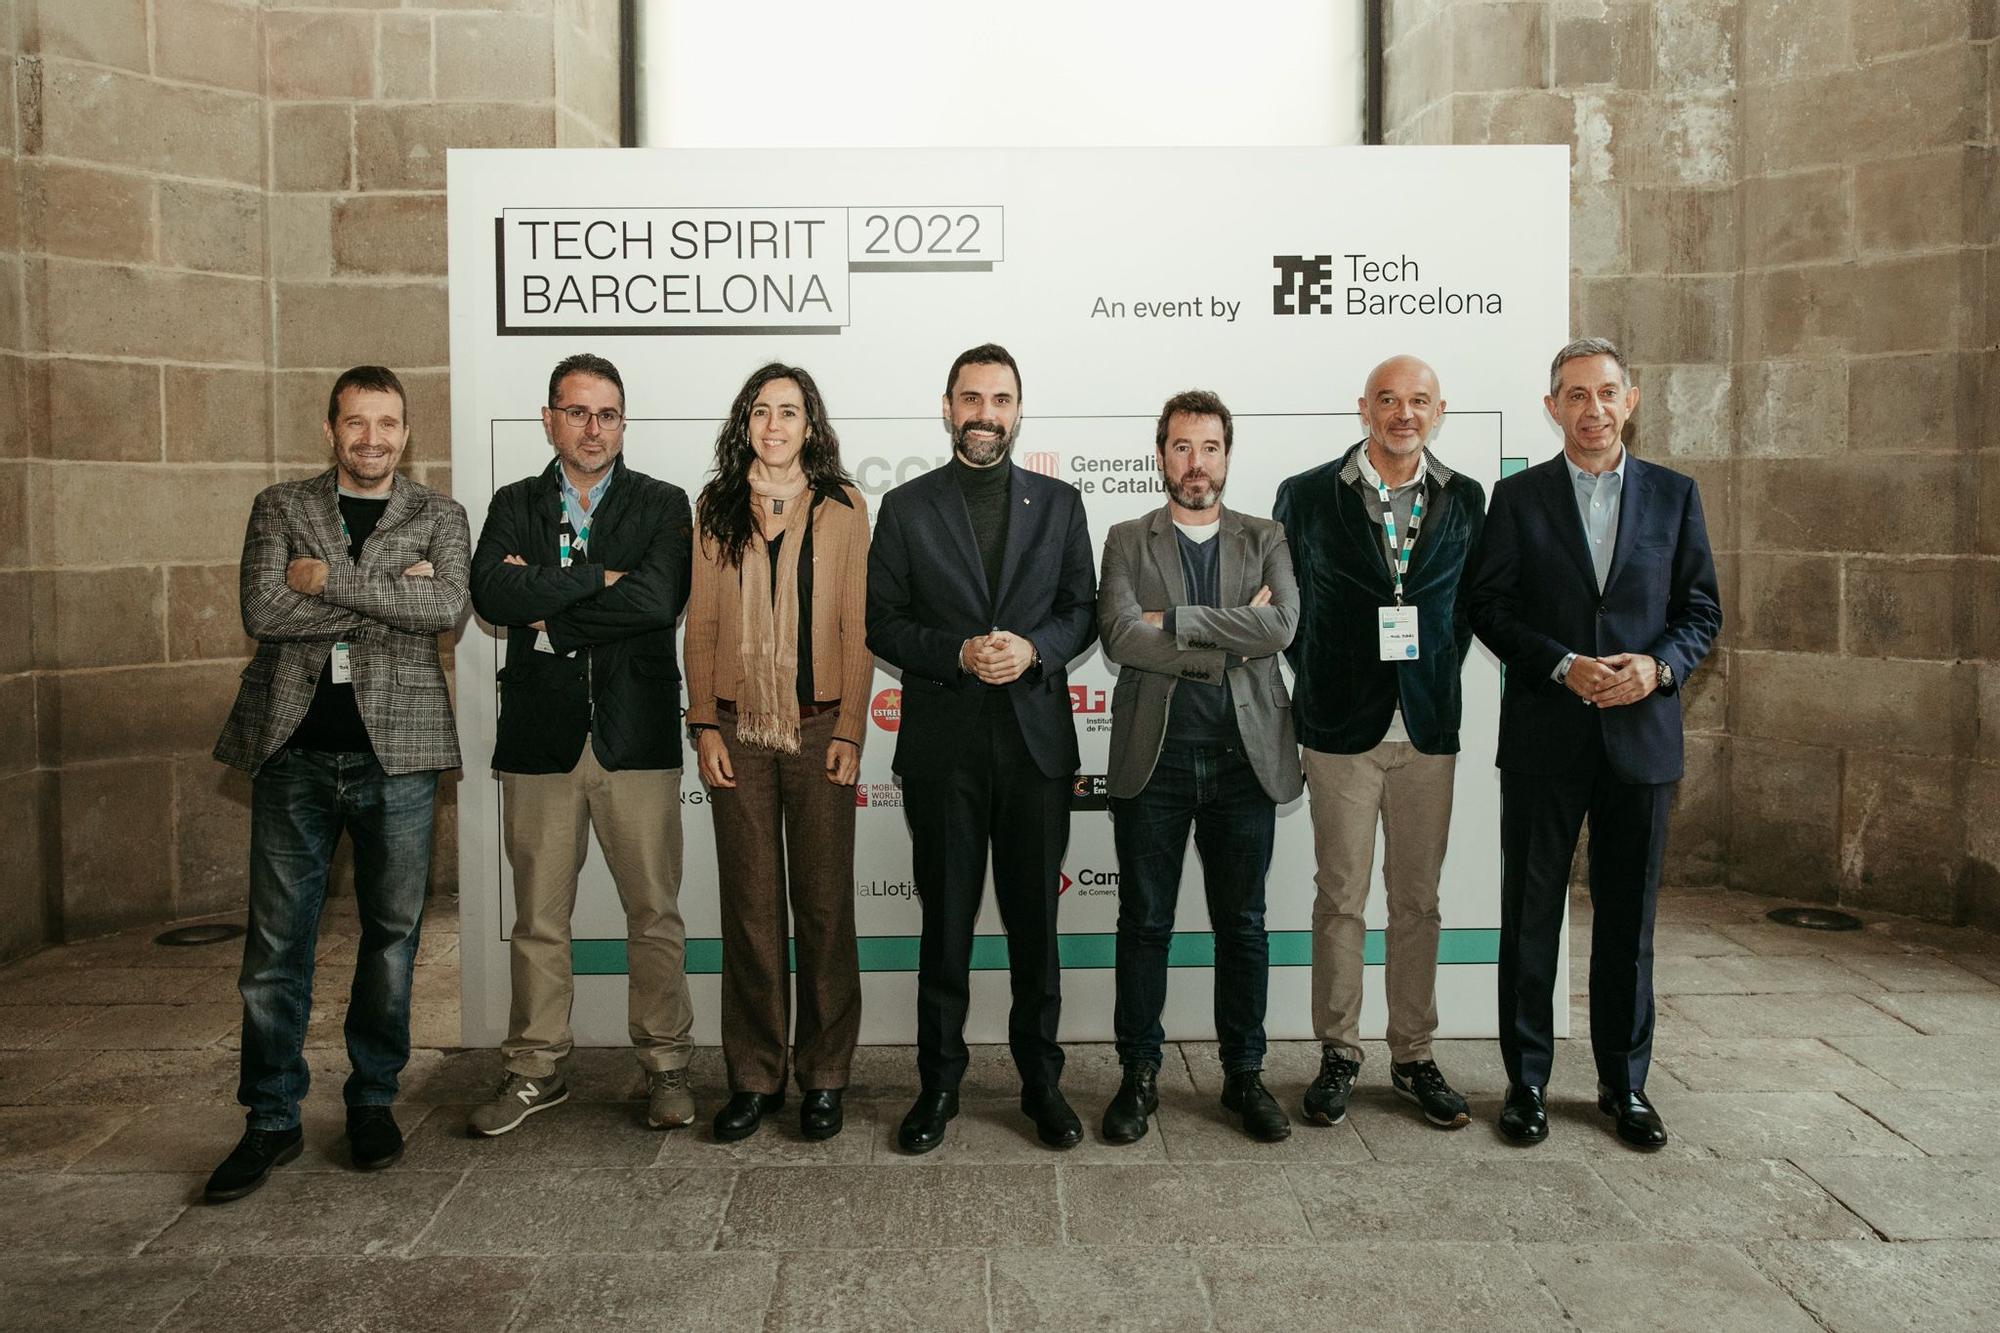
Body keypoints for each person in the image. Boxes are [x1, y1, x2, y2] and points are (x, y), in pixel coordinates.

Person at [206, 365, 469, 1202]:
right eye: (356, 423)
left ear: (405, 431)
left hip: (401, 758)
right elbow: (263, 611)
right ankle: (271, 1118)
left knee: (391, 942)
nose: (372, 440)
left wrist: (325, 579)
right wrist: (394, 593)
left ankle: (371, 1100)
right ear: (332, 429)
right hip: (295, 755)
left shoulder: (441, 515)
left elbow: (447, 610)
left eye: (387, 424)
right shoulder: (281, 506)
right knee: (275, 949)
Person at [1466, 336, 1721, 1149]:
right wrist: (1560, 664)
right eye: (1575, 395)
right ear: (1552, 407)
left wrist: (1659, 667)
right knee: (1530, 916)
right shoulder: (1516, 498)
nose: (1592, 409)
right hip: (1547, 738)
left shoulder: (1676, 497)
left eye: (1606, 392)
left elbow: (1701, 612)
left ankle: (1625, 1085)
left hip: (1641, 741)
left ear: (1631, 399)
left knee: (1628, 923)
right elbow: (1489, 606)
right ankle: (1528, 1083)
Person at [866, 342, 1097, 1154]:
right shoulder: (905, 507)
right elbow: (883, 623)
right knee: (948, 932)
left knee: (1037, 931)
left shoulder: (1062, 504)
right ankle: (938, 1087)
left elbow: (1083, 610)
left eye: (1000, 399)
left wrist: (1033, 649)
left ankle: (1042, 1085)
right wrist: (958, 652)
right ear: (947, 406)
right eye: (971, 398)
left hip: (1036, 749)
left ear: (1018, 409)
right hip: (944, 748)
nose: (985, 414)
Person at [466, 352, 697, 1136]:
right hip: (539, 742)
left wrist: (553, 614)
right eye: (576, 411)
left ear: (622, 422)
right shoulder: (513, 501)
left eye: (606, 414)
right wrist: (602, 582)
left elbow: (658, 596)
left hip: (637, 740)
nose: (592, 428)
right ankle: (535, 1067)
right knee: (538, 917)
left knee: (656, 914)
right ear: (549, 418)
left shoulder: (664, 503)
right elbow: (493, 592)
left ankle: (666, 1063)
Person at [1273, 355, 1487, 1131]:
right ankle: (1338, 1052)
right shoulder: (1305, 495)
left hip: (1427, 729)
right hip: (1340, 733)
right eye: (1388, 400)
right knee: (1340, 897)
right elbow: (1286, 613)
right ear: (1362, 407)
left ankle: (1413, 1054)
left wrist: (1426, 674)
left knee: (1418, 901)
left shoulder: (1465, 498)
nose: (1404, 413)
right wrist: (1327, 677)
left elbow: (1464, 609)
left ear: (1439, 410)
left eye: (1419, 400)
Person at [1096, 389, 1300, 1145]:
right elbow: (1119, 636)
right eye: (1181, 447)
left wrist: (1174, 623)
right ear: (1160, 454)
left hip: (1245, 762)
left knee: (1242, 925)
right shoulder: (1125, 538)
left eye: (1209, 447)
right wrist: (1229, 634)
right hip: (1156, 763)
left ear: (1226, 455)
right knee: (1144, 924)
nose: (1195, 463)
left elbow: (1281, 625)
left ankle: (1243, 1075)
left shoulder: (1266, 534)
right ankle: (1139, 1074)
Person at [684, 363, 871, 1143]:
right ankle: (756, 1076)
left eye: (789, 412)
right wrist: (703, 725)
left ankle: (824, 1076)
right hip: (739, 731)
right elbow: (699, 628)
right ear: (745, 423)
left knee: (824, 909)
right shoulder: (717, 508)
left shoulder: (844, 507)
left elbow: (858, 629)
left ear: (809, 425)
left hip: (821, 726)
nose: (774, 425)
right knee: (751, 912)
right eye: (761, 411)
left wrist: (854, 730)